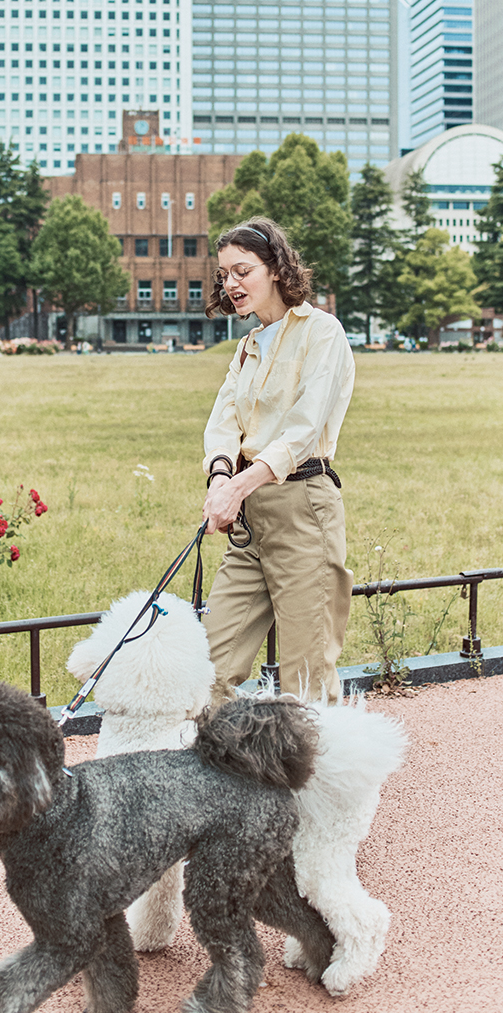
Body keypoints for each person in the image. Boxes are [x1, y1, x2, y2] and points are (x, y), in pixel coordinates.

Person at [201, 217, 355, 706]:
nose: (231, 284)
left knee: (306, 681)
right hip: (249, 522)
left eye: (241, 270)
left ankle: (319, 783)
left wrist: (236, 487)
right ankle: (222, 780)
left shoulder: (321, 333)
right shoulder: (247, 347)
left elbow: (303, 428)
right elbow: (223, 422)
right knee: (207, 672)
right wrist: (221, 478)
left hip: (303, 509)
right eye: (224, 274)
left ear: (275, 268)